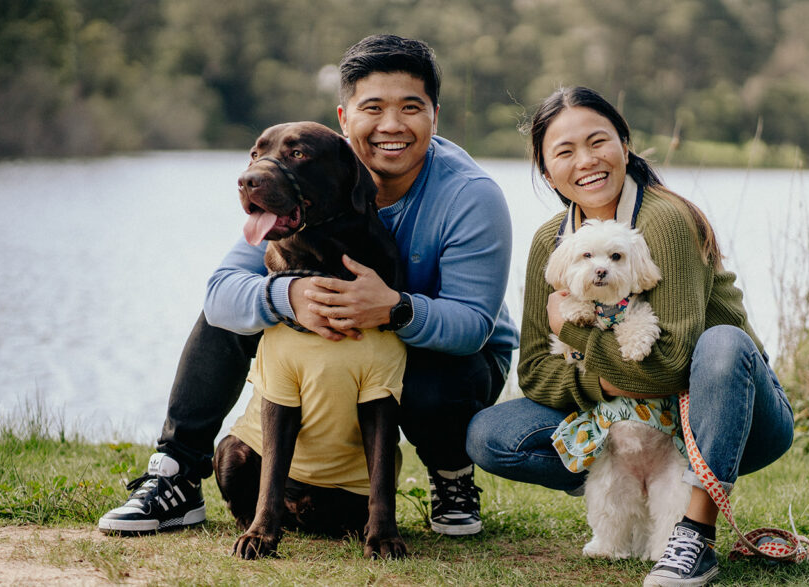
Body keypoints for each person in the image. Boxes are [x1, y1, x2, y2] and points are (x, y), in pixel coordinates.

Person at [98, 34, 518, 538]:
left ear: (434, 116)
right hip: (340, 337)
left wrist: (394, 309)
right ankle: (176, 477)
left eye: (411, 107)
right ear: (344, 119)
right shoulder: (309, 179)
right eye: (373, 108)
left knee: (433, 373)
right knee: (232, 312)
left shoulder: (471, 197)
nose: (391, 125)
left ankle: (451, 476)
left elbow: (472, 325)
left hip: (454, 355)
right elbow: (222, 290)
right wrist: (288, 296)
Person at [466, 86, 793, 586]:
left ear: (624, 144)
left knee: (723, 342)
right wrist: (614, 390)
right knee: (489, 435)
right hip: (618, 418)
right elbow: (533, 370)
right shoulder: (548, 242)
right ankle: (620, 492)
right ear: (546, 168)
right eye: (565, 151)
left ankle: (693, 534)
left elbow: (672, 365)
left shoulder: (664, 219)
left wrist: (574, 337)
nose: (587, 161)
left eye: (598, 142)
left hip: (730, 414)